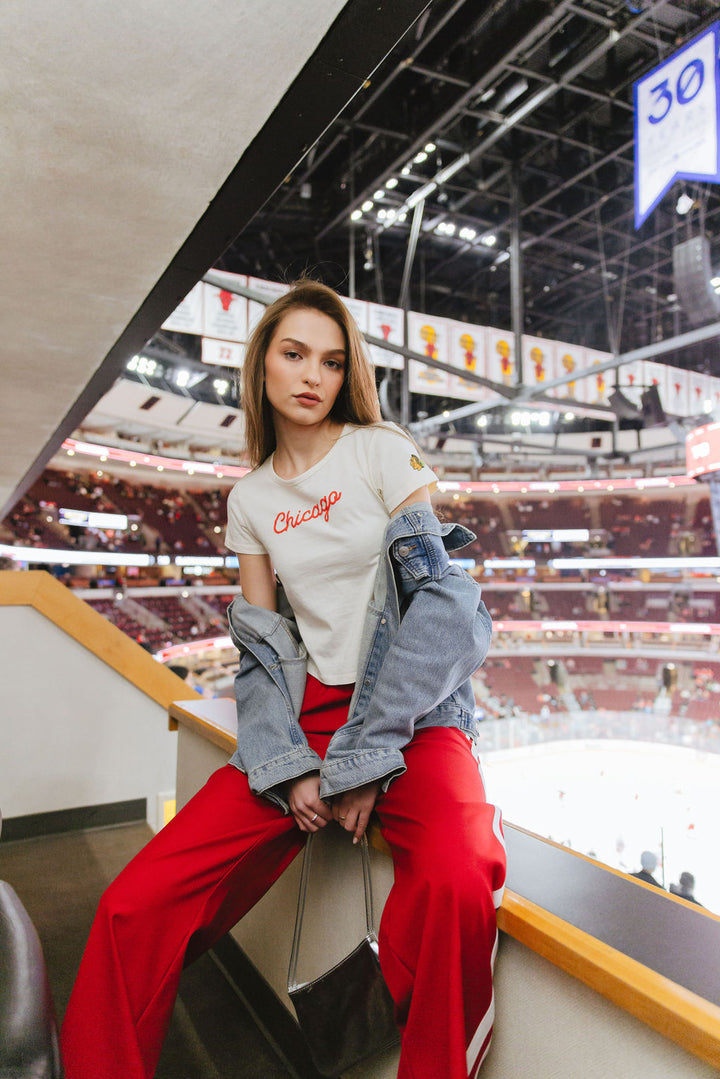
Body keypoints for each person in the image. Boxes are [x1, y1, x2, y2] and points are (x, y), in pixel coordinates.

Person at [61, 279, 506, 1079]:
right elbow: (262, 645)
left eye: (332, 362)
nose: (312, 375)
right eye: (294, 354)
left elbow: (449, 602)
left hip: (406, 714)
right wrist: (287, 758)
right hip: (304, 721)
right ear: (261, 364)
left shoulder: (381, 449)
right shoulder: (253, 499)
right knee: (133, 904)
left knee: (458, 875)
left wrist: (368, 751)